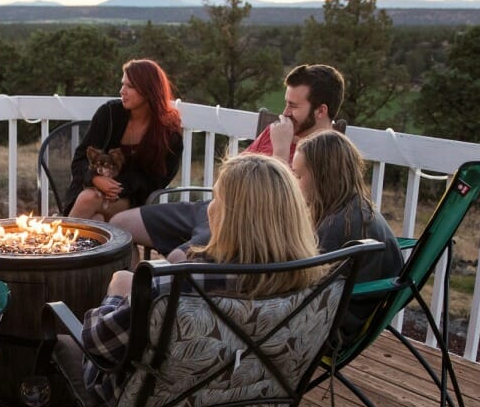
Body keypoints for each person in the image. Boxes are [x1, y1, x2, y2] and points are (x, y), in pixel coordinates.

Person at [80, 152, 325, 407]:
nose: (208, 206)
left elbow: (99, 346)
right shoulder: (313, 281)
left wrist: (117, 295)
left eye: (216, 198)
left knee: (65, 340)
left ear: (231, 216)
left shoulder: (179, 284)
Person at [111, 63, 345, 262]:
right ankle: (123, 298)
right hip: (211, 207)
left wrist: (281, 151)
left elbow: (283, 213)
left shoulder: (326, 156)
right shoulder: (278, 130)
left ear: (321, 111)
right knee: (118, 225)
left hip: (238, 223)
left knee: (177, 259)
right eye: (286, 103)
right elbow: (230, 174)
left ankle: (147, 306)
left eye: (293, 106)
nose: (284, 112)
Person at [292, 131, 404, 340]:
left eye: (298, 176)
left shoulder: (337, 227)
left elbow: (305, 287)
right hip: (355, 318)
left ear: (323, 176)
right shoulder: (358, 210)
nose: (294, 182)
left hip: (332, 330)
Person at [62, 59, 183, 221]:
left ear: (149, 90)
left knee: (89, 199)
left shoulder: (168, 133)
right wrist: (95, 178)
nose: (121, 91)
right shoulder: (109, 114)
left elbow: (158, 181)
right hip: (88, 188)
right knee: (96, 218)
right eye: (122, 84)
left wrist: (116, 187)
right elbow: (80, 159)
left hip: (132, 201)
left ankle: (61, 243)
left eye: (130, 86)